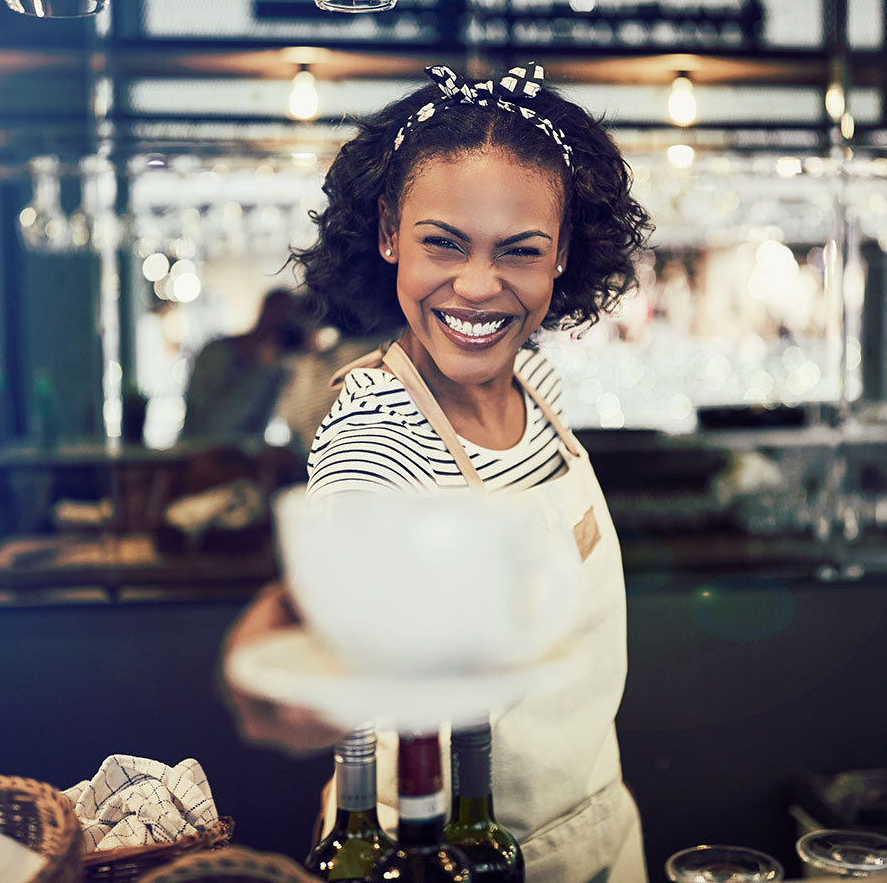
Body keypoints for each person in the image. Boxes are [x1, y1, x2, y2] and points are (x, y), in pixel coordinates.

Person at [221, 63, 653, 882]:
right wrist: (288, 642)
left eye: (519, 251)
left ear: (560, 254)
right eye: (442, 243)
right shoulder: (374, 433)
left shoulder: (543, 389)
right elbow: (342, 585)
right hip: (445, 857)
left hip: (602, 826)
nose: (479, 286)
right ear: (389, 232)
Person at [181, 288, 308, 442]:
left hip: (245, 460)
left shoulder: (277, 366)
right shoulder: (217, 354)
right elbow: (216, 424)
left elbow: (269, 426)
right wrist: (260, 370)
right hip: (199, 456)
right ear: (265, 314)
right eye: (283, 318)